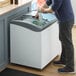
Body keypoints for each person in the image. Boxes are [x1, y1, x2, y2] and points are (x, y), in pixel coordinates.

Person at [35, 0, 75, 73]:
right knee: (62, 39)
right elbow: (48, 2)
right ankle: (64, 60)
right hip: (64, 19)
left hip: (66, 20)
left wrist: (43, 10)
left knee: (67, 43)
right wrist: (40, 8)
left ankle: (70, 67)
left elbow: (52, 9)